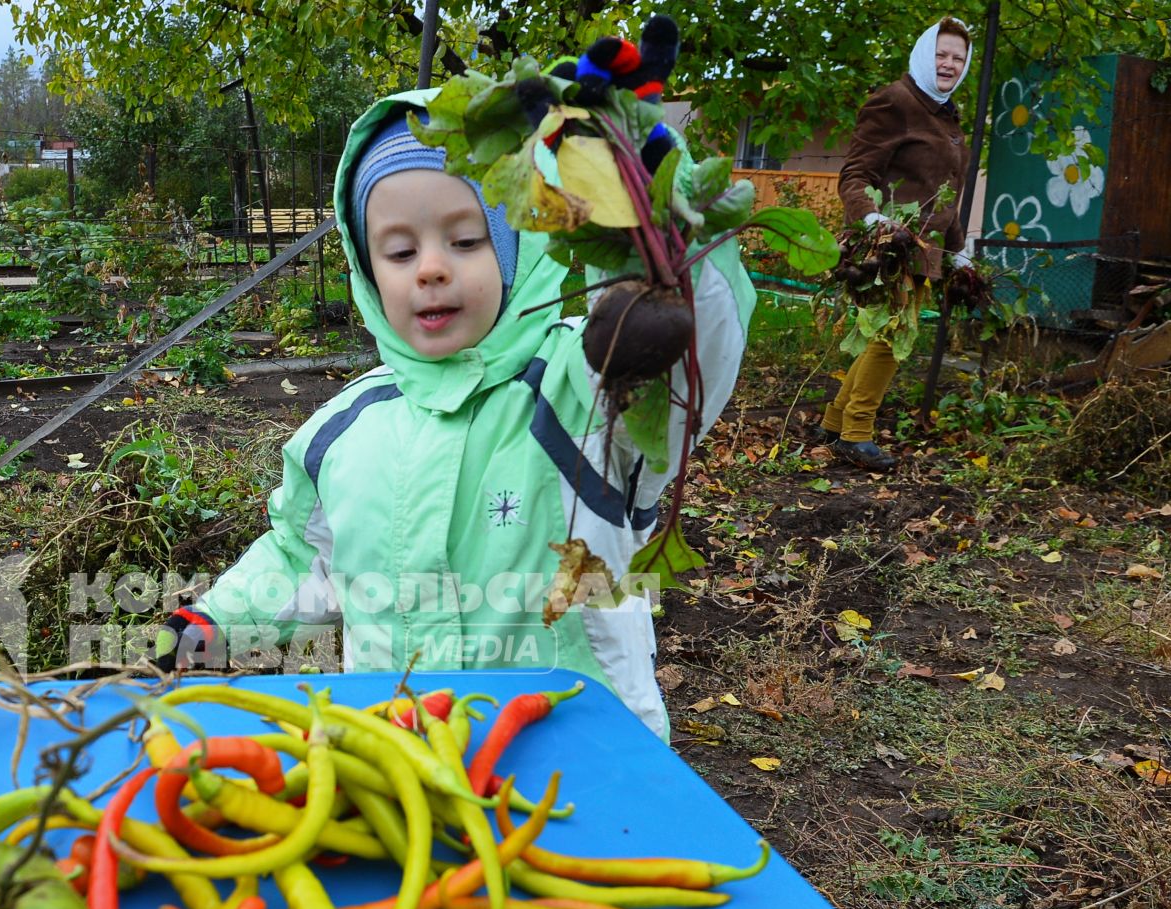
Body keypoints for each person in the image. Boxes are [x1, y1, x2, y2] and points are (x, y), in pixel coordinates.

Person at [152, 29, 754, 741]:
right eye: (401, 250)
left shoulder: (580, 390)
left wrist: (652, 214)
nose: (431, 269)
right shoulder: (346, 429)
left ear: (516, 248)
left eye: (466, 242)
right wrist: (212, 622)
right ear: (369, 272)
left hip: (577, 750)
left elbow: (688, 352)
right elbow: (304, 559)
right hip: (392, 749)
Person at [820, 17, 976, 471]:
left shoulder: (946, 113)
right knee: (890, 340)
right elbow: (855, 174)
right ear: (925, 54)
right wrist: (873, 219)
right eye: (941, 54)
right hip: (890, 248)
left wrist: (959, 249)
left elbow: (947, 194)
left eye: (958, 58)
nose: (949, 64)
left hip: (926, 250)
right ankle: (856, 433)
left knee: (880, 338)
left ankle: (834, 423)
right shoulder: (897, 100)